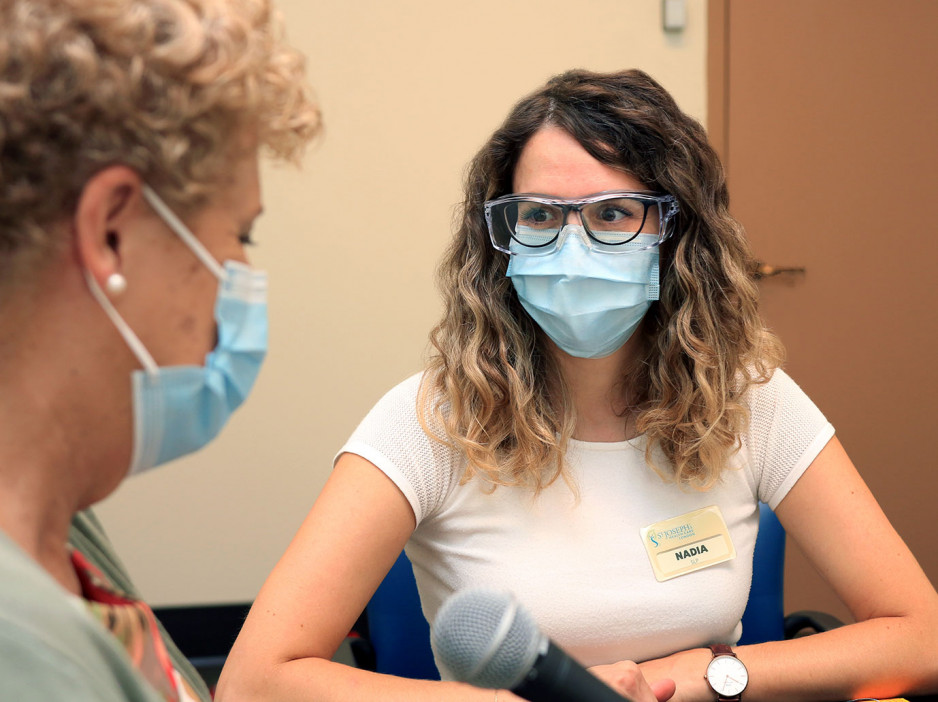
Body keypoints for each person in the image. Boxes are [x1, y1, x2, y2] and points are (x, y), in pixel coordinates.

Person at [216, 69, 938, 702]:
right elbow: (255, 681)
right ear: (499, 238)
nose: (571, 247)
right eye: (538, 215)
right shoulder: (431, 420)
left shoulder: (749, 400)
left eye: (612, 214)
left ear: (675, 234)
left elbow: (923, 637)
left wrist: (707, 674)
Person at [0, 0, 320, 700]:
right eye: (240, 234)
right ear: (110, 231)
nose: (241, 272)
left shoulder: (59, 534)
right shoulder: (20, 650)